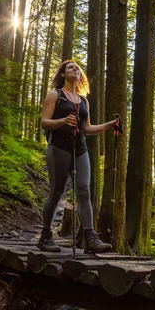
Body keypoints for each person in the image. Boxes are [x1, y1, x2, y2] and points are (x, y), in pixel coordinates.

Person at [38, 60, 119, 253]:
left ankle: (91, 238)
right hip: (58, 147)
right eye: (70, 68)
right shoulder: (55, 95)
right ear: (63, 74)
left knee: (84, 191)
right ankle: (45, 236)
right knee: (56, 192)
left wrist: (109, 125)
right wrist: (63, 120)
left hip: (80, 149)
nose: (75, 69)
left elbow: (88, 129)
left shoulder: (84, 101)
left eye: (77, 67)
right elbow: (44, 122)